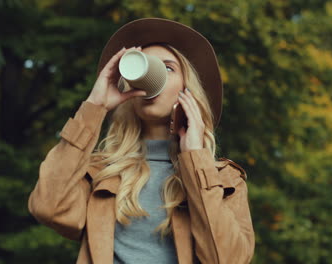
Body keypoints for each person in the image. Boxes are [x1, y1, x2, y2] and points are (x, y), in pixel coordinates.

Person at [28, 18, 255, 264]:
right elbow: (48, 207)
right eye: (145, 67)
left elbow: (229, 259)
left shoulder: (225, 180)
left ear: (188, 90)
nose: (151, 75)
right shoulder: (99, 172)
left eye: (167, 68)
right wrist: (95, 106)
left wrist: (195, 158)